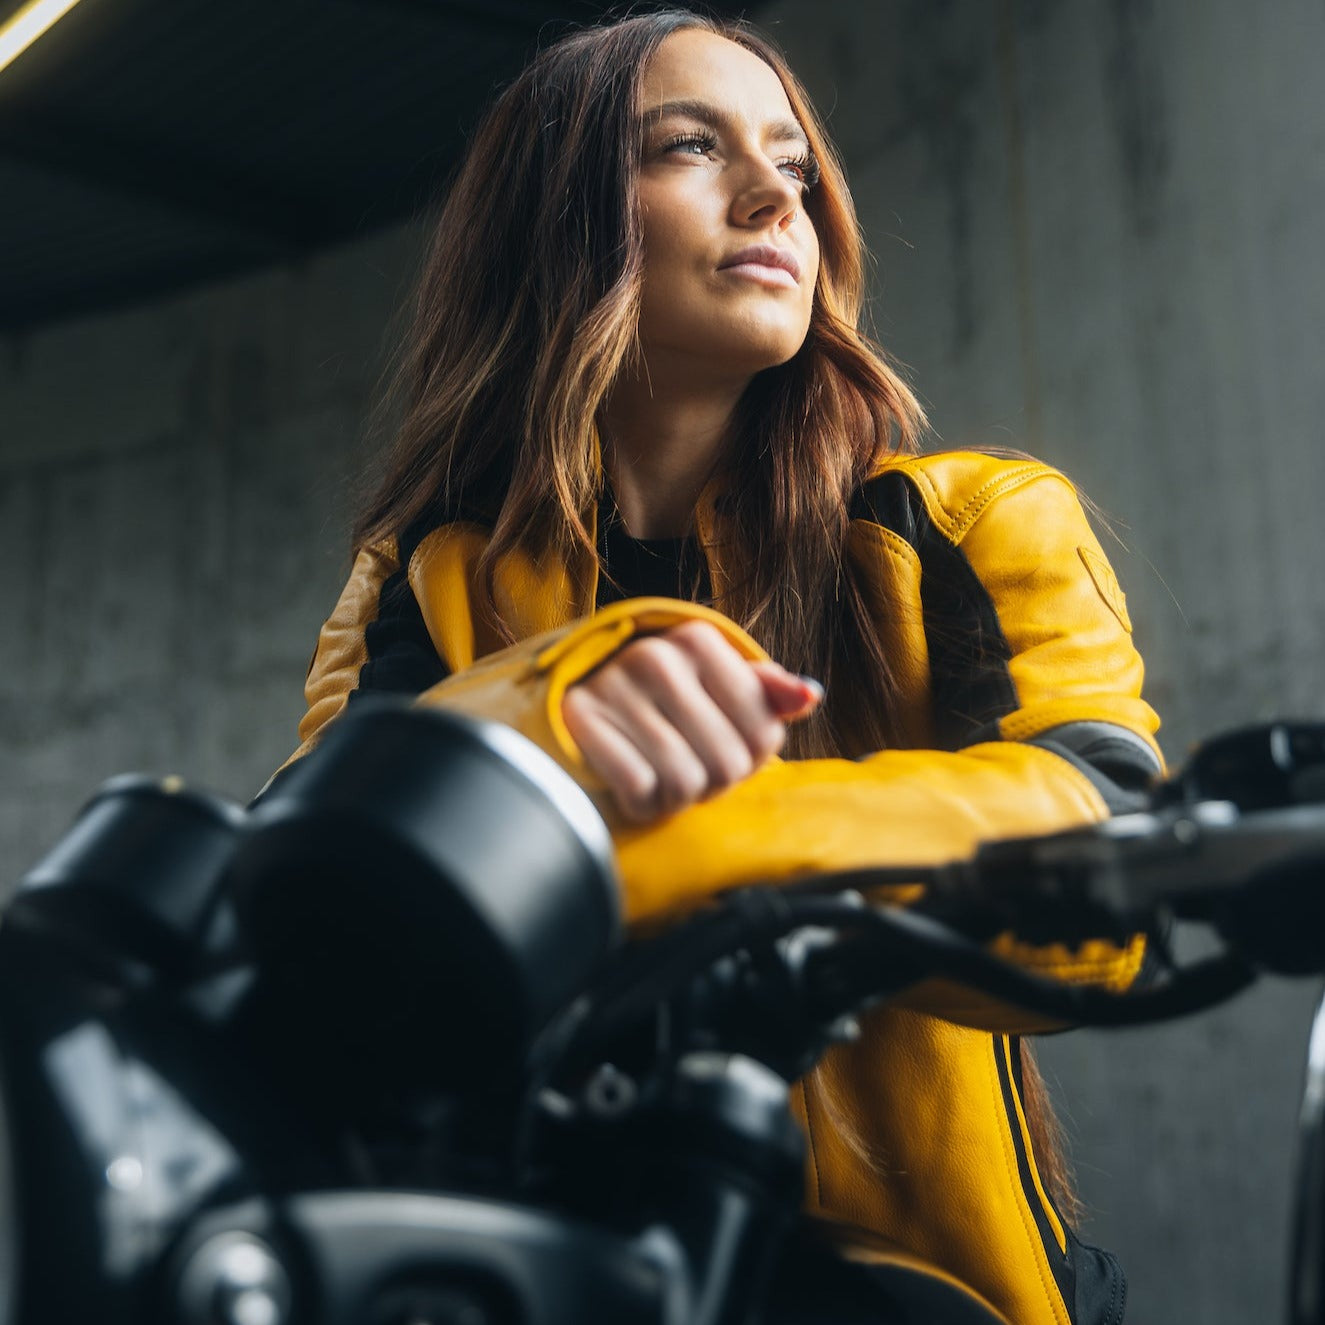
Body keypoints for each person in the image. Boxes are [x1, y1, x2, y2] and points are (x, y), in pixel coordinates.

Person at [274, 10, 1161, 1323]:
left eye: (793, 165)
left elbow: (1110, 874)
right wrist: (536, 714)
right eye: (689, 146)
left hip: (933, 1295)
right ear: (553, 217)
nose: (772, 197)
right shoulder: (424, 578)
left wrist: (688, 839)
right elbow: (299, 906)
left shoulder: (976, 520)